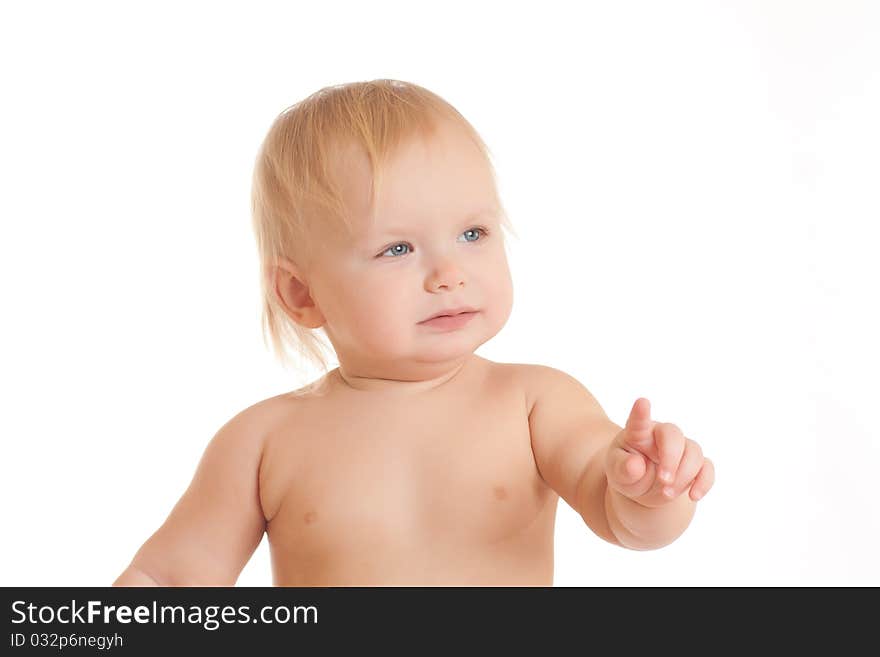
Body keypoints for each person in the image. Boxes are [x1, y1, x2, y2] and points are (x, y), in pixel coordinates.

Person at [113, 79, 714, 587]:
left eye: (473, 234)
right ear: (303, 294)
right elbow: (171, 579)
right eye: (397, 248)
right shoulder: (261, 442)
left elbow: (620, 515)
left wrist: (651, 492)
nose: (449, 274)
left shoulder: (533, 404)